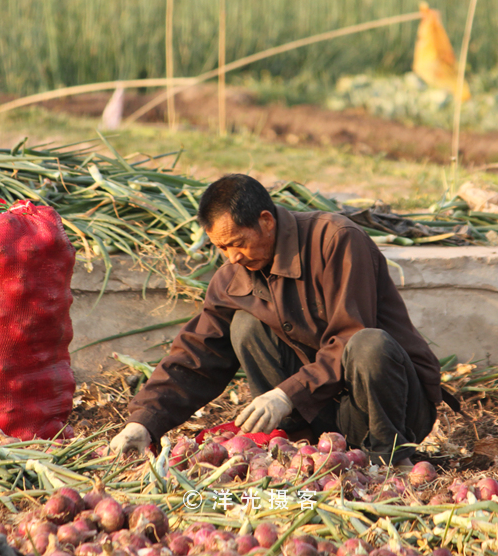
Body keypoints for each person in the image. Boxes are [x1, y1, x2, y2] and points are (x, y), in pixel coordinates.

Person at [109, 174, 450, 469]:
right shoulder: (233, 278)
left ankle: (387, 461)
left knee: (368, 344)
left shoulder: (336, 240)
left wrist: (286, 395)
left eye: (238, 243)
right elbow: (194, 357)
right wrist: (144, 423)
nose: (233, 258)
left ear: (266, 221)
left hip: (396, 407)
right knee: (244, 326)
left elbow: (350, 335)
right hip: (325, 415)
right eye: (222, 248)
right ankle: (302, 445)